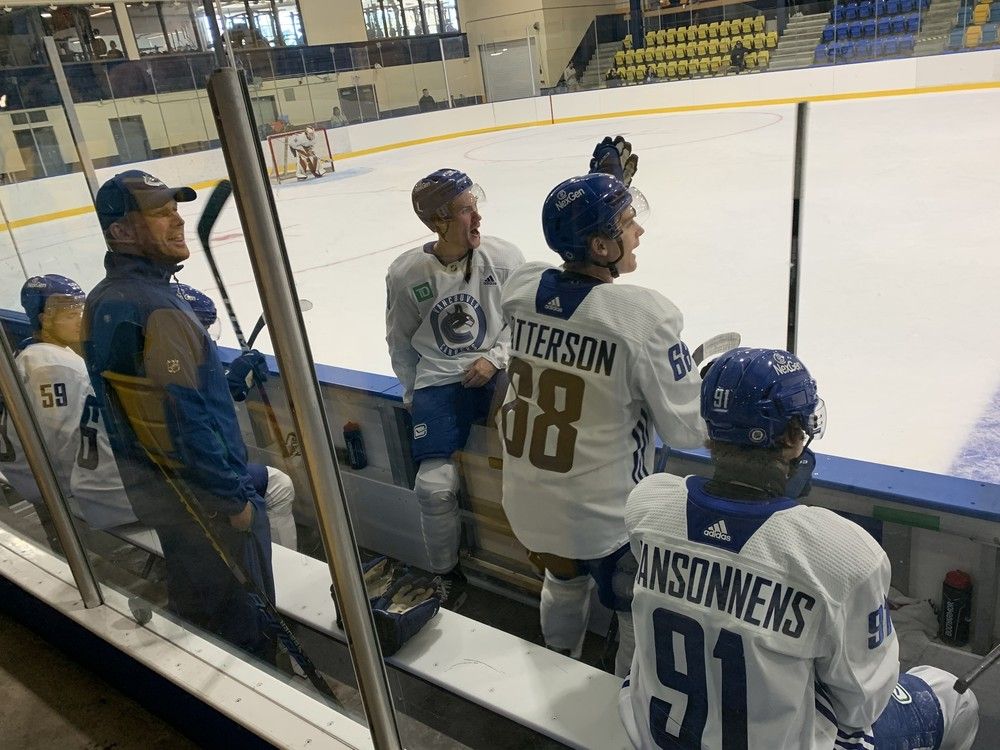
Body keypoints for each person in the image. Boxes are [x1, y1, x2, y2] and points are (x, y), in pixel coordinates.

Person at [620, 348, 980, 749]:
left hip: (659, 736)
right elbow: (862, 709)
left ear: (710, 429)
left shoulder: (647, 506)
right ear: (792, 437)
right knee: (953, 694)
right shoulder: (843, 553)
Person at [499, 151, 706, 676]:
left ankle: (558, 658)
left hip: (525, 509)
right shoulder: (641, 318)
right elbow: (687, 428)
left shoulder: (522, 288)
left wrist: (602, 191)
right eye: (626, 223)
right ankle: (622, 698)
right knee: (639, 605)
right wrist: (690, 375)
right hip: (603, 524)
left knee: (562, 581)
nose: (638, 232)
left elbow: (570, 314)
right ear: (600, 246)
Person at [84, 170, 276, 659]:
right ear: (121, 232)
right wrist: (233, 500)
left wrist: (225, 381)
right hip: (204, 502)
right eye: (158, 212)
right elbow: (182, 421)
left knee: (200, 605)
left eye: (175, 208)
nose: (176, 219)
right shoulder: (158, 307)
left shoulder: (106, 298)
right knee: (243, 624)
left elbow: (150, 398)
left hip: (162, 494)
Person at [385, 169, 524, 597]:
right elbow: (400, 340)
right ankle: (445, 576)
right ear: (438, 221)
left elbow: (524, 325)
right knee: (433, 487)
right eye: (466, 210)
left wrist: (494, 358)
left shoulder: (503, 258)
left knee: (531, 470)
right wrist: (411, 392)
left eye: (475, 207)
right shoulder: (406, 273)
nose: (477, 218)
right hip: (438, 382)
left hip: (500, 375)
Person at [0, 275, 137, 544]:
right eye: (69, 312)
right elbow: (60, 441)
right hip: (53, 485)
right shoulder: (53, 367)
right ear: (43, 318)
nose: (80, 318)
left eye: (80, 309)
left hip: (26, 474)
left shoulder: (31, 350)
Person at [169, 282, 297, 551]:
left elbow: (192, 404)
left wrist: (230, 384)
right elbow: (198, 424)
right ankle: (284, 566)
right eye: (202, 326)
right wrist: (233, 495)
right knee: (279, 486)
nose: (208, 336)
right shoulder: (187, 361)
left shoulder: (166, 355)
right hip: (194, 483)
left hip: (170, 477)